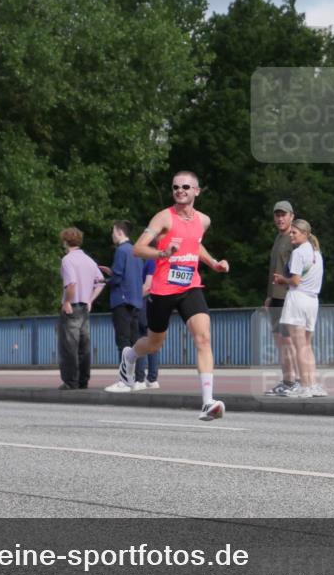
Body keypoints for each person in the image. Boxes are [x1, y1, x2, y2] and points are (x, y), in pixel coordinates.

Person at [108, 171, 230, 422]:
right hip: (163, 290)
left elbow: (195, 244)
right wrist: (164, 253)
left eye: (185, 187)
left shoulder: (204, 220)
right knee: (154, 343)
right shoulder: (164, 217)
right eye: (175, 187)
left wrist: (213, 263)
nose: (180, 191)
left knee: (204, 338)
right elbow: (138, 249)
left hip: (190, 287)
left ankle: (208, 402)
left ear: (196, 191)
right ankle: (129, 356)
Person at [271, 219, 326, 398]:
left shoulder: (298, 253)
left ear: (305, 234)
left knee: (299, 346)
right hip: (312, 301)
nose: (291, 235)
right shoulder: (316, 253)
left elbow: (294, 281)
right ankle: (313, 384)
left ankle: (304, 386)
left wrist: (281, 280)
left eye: (294, 232)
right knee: (307, 346)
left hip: (298, 298)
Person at [58, 227, 104, 390]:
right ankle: (84, 380)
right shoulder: (89, 260)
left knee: (69, 346)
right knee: (84, 346)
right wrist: (90, 300)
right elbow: (100, 282)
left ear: (65, 241)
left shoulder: (67, 260)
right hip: (85, 307)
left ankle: (71, 381)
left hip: (73, 307)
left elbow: (71, 284)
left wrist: (67, 302)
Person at [103, 220, 146, 393]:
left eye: (113, 231)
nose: (112, 234)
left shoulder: (121, 250)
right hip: (136, 300)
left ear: (120, 231)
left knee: (123, 340)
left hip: (121, 300)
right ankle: (137, 378)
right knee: (135, 341)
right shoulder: (136, 251)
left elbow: (118, 277)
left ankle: (124, 380)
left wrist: (106, 280)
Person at [263, 200, 299, 397]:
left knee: (289, 342)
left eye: (283, 214)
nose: (280, 218)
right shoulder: (279, 238)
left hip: (289, 297)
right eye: (277, 215)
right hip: (276, 297)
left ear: (292, 216)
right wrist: (269, 295)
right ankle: (287, 380)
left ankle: (294, 381)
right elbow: (274, 271)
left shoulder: (295, 239)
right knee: (280, 341)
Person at [134, 257, 160, 390]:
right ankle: (153, 378)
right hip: (159, 303)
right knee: (153, 340)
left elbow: (147, 285)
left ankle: (139, 379)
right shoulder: (167, 262)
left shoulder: (152, 261)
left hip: (146, 302)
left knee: (141, 338)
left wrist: (135, 299)